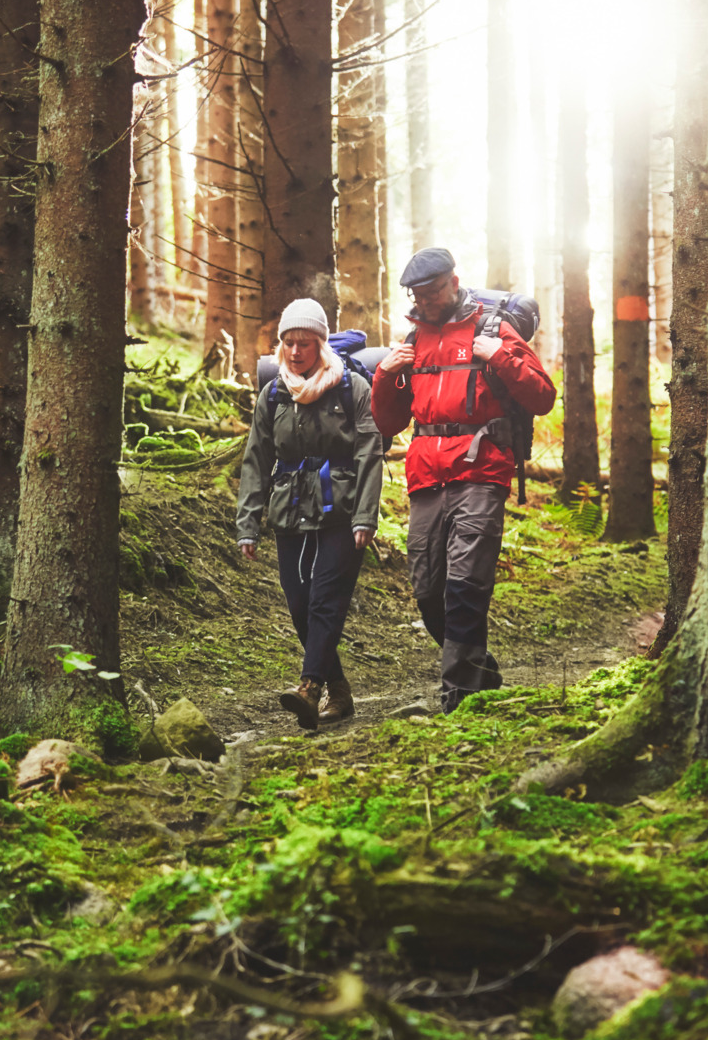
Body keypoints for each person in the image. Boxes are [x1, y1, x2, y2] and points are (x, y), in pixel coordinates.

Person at [372, 248, 557, 712]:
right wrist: (385, 374)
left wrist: (501, 358)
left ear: (453, 282)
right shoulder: (413, 340)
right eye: (418, 295)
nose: (426, 302)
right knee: (428, 588)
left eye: (433, 292)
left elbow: (542, 396)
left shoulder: (493, 328)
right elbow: (387, 423)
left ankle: (459, 692)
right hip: (426, 475)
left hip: (481, 469)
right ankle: (479, 668)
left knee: (465, 581)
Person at [237, 298, 386, 729]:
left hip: (341, 509)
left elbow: (369, 452)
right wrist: (248, 523)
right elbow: (256, 459)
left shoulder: (351, 387)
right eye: (288, 342)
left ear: (321, 343)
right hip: (289, 510)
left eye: (305, 342)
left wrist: (365, 515)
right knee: (300, 603)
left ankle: (310, 686)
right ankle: (339, 689)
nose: (296, 351)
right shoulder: (274, 393)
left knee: (325, 598)